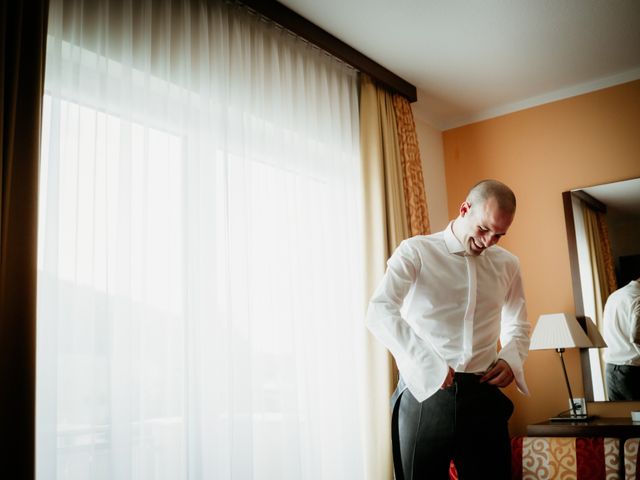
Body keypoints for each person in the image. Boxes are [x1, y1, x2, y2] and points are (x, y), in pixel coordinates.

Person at [366, 179, 530, 479]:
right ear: (464, 209)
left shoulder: (508, 265)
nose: (488, 241)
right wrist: (429, 363)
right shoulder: (415, 251)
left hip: (483, 394)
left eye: (499, 235)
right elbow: (380, 310)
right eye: (483, 229)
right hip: (424, 394)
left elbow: (517, 323)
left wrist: (510, 358)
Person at [602, 277, 640, 401]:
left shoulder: (615, 296)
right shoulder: (638, 297)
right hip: (632, 371)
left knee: (620, 417)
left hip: (610, 370)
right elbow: (637, 336)